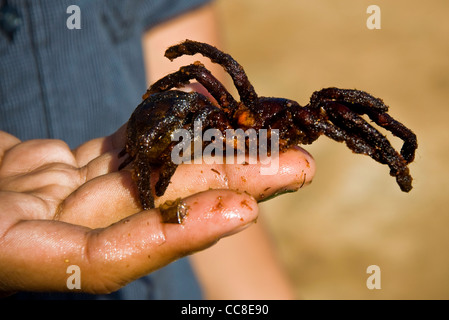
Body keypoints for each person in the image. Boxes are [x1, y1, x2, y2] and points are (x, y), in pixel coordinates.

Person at [0, 1, 315, 299]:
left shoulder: (263, 124)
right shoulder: (220, 115)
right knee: (200, 107)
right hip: (142, 135)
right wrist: (164, 83)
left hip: (174, 282)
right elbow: (207, 67)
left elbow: (219, 188)